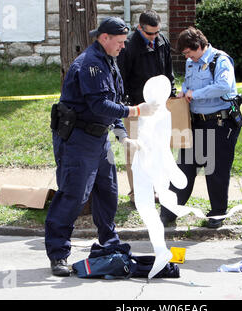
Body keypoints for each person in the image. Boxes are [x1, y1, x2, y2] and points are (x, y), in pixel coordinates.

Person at [45, 17, 157, 277]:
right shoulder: (90, 65)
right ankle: (58, 254)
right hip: (77, 139)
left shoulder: (108, 60)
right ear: (103, 38)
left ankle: (109, 242)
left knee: (108, 192)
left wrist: (120, 134)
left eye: (123, 42)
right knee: (73, 195)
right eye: (118, 42)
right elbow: (99, 105)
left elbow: (112, 100)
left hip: (99, 138)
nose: (123, 47)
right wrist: (136, 110)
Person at [159, 27, 241, 229]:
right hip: (195, 122)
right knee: (184, 166)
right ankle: (170, 210)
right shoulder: (190, 63)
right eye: (185, 54)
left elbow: (223, 86)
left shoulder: (220, 60)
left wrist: (195, 94)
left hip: (219, 123)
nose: (187, 57)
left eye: (189, 52)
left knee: (216, 170)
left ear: (200, 46)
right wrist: (184, 92)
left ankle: (217, 213)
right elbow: (187, 84)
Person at [117, 9, 176, 204]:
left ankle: (155, 188)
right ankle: (137, 193)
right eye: (150, 33)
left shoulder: (162, 41)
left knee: (156, 149)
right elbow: (121, 77)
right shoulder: (127, 46)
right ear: (139, 28)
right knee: (135, 152)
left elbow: (169, 71)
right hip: (135, 106)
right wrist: (126, 105)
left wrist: (171, 93)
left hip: (158, 106)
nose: (154, 36)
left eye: (157, 32)